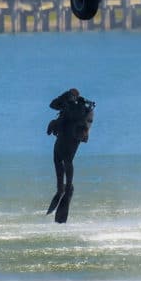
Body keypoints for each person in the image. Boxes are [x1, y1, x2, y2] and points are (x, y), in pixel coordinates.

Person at [46, 88, 94, 223]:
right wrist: (64, 97)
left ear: (77, 96)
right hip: (61, 136)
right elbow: (52, 105)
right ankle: (60, 188)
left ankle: (68, 187)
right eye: (70, 94)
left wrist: (72, 103)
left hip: (72, 138)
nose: (70, 97)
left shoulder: (80, 107)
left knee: (67, 160)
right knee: (56, 159)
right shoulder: (67, 102)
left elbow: (76, 117)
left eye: (72, 95)